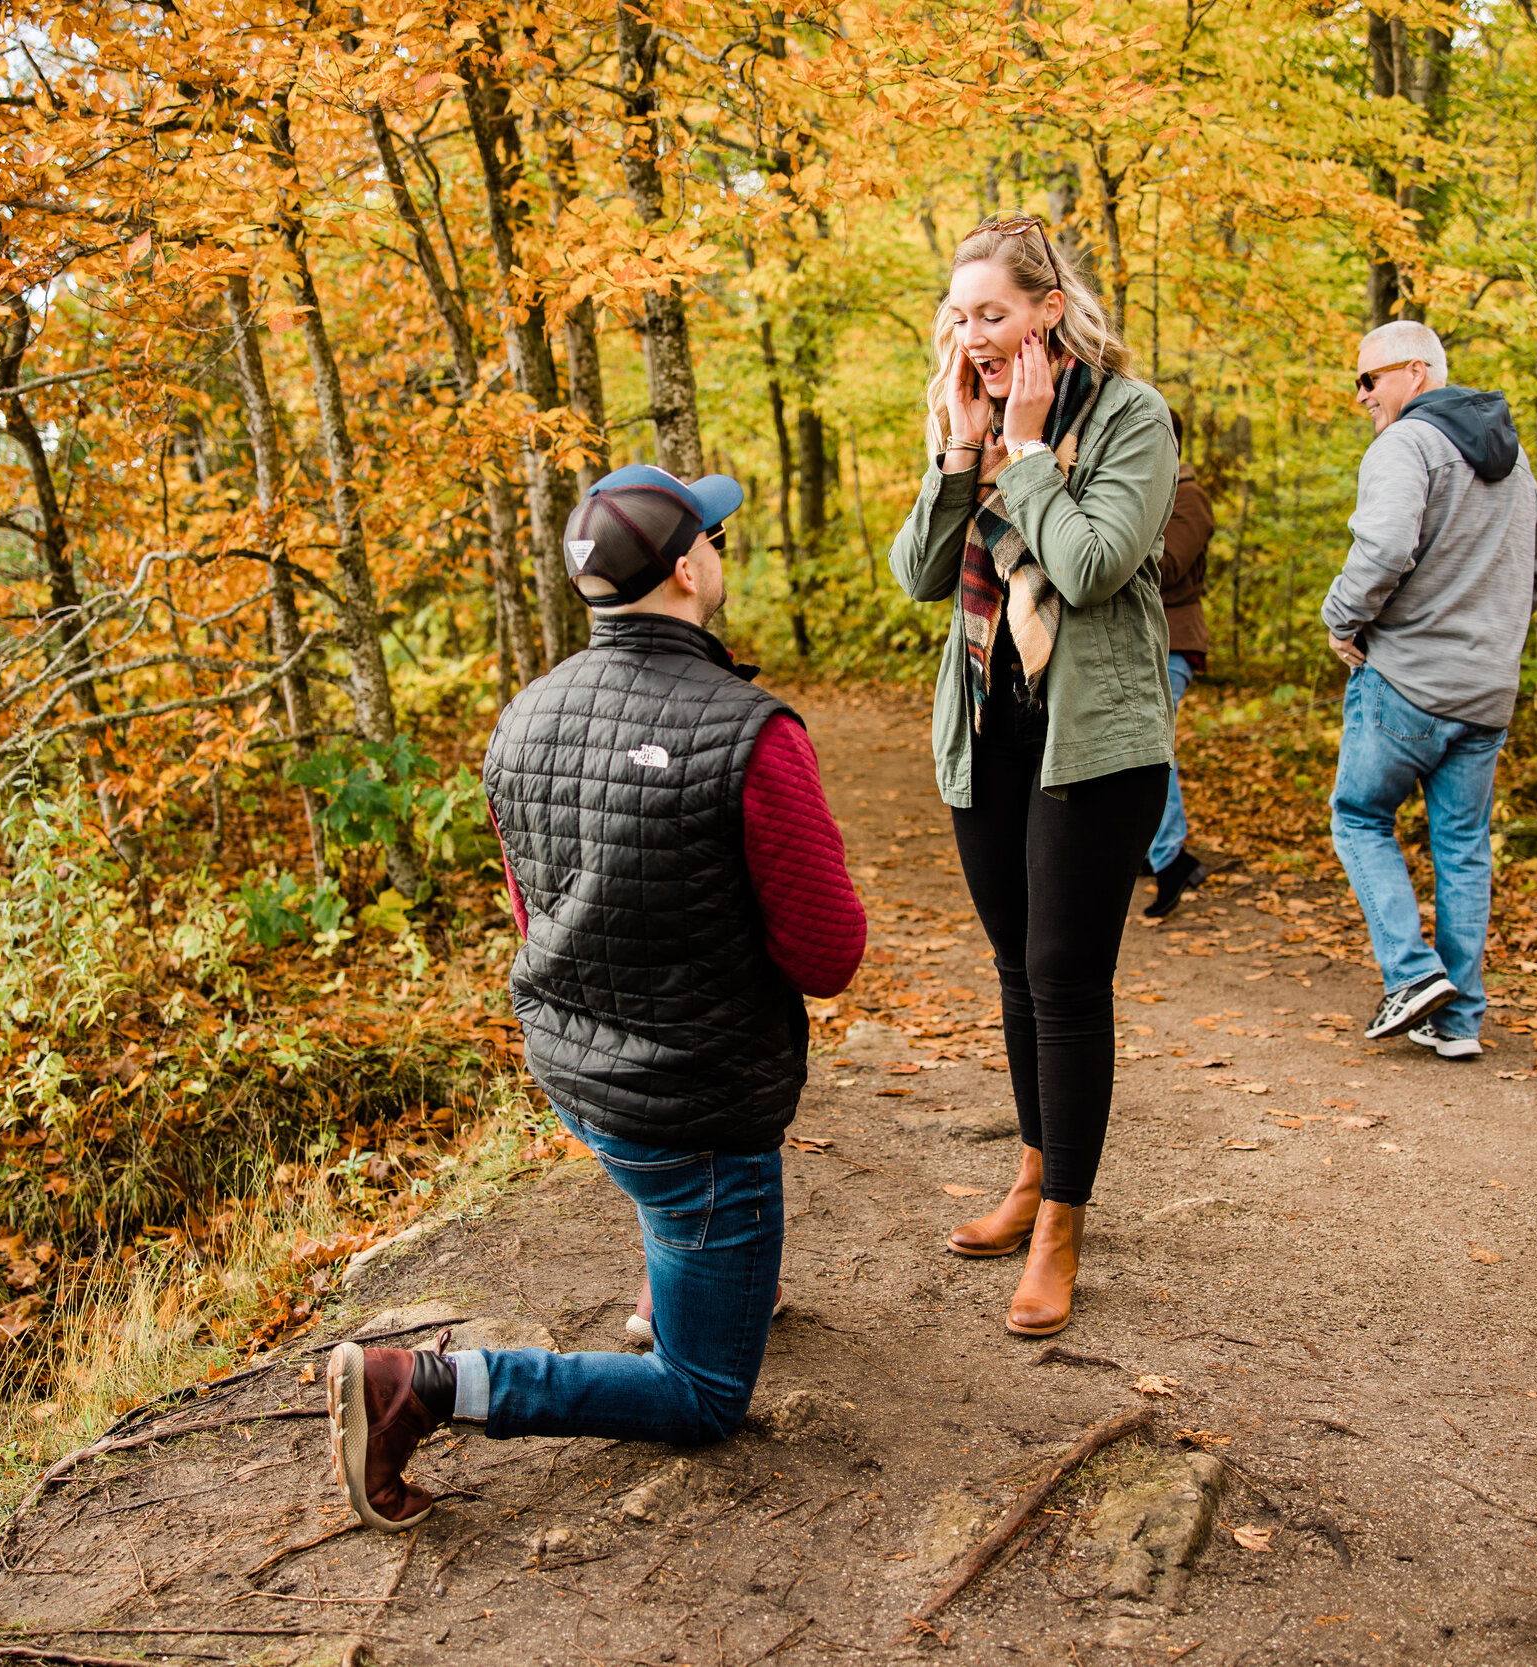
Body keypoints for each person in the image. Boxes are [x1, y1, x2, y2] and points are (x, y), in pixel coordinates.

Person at [328, 464, 865, 1529]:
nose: (720, 550)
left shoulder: (522, 717)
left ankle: (671, 1277)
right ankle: (424, 1385)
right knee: (705, 1393)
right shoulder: (750, 732)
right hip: (695, 1111)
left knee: (668, 1192)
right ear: (684, 567)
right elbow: (826, 953)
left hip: (576, 1072)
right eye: (713, 535)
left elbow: (539, 918)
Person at [887, 213, 1180, 1339]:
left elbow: (1094, 564)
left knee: (1064, 976)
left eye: (993, 313)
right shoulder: (965, 411)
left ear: (1048, 309)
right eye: (960, 315)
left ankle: (1062, 1219)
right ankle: (1028, 1169)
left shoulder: (1129, 417)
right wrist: (960, 452)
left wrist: (1021, 453)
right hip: (986, 723)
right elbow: (920, 573)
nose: (972, 334)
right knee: (1015, 966)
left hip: (1093, 739)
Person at [1320, 321, 1537, 1059]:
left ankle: (1414, 974)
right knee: (1462, 847)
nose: (1361, 396)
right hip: (1487, 695)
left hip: (1406, 683)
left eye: (1369, 379)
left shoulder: (1408, 446)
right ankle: (1457, 1020)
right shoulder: (1514, 466)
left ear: (1415, 372)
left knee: (1358, 817)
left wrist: (1341, 618)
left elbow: (1385, 548)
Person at [1142, 412, 1217, 919]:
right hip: (1144, 641)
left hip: (1172, 641)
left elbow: (1167, 567)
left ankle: (1170, 857)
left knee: (1150, 749)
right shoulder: (1147, 490)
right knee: (1144, 748)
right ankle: (1156, 853)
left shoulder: (1189, 499)